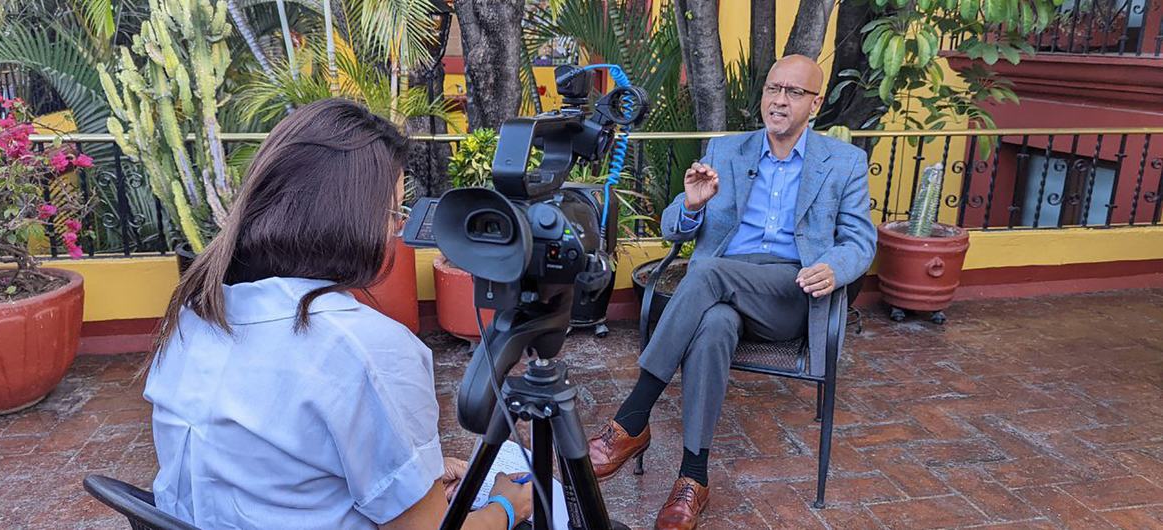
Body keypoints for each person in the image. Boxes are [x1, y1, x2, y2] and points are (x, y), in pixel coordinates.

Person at [143, 98, 532, 530]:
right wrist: (507, 505)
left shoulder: (194, 315)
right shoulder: (365, 349)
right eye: (393, 212)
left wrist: (412, 481)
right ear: (354, 219)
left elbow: (268, 479)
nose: (396, 229)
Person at [585, 55, 876, 529]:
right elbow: (672, 225)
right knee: (715, 324)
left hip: (789, 289)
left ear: (815, 103)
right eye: (773, 89)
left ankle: (632, 418)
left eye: (794, 92)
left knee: (707, 275)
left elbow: (860, 241)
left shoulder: (844, 163)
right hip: (724, 290)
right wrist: (693, 206)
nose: (779, 100)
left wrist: (833, 267)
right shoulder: (726, 151)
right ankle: (692, 479)